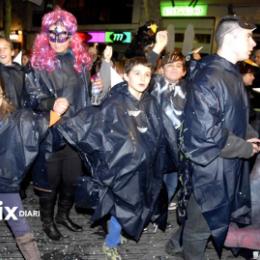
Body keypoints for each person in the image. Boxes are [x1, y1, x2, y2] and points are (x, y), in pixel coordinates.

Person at [57, 56, 178, 260]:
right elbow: (99, 130)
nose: (143, 78)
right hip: (122, 168)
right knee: (122, 206)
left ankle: (119, 233)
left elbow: (159, 132)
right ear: (126, 76)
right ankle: (111, 242)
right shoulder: (115, 102)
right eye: (137, 73)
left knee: (139, 203)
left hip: (145, 167)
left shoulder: (149, 101)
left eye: (147, 74)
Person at [166, 15, 260, 259]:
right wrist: (244, 148)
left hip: (226, 164)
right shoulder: (209, 77)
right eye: (249, 37)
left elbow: (236, 115)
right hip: (211, 168)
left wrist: (251, 136)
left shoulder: (230, 73)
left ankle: (179, 243)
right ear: (231, 38)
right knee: (201, 224)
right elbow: (206, 132)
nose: (253, 44)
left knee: (206, 217)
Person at [24, 7, 96, 241]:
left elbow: (84, 97)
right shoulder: (37, 64)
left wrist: (96, 90)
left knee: (72, 181)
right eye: (52, 35)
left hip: (76, 133)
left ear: (71, 35)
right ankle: (48, 222)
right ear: (46, 36)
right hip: (51, 132)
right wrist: (52, 102)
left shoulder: (81, 63)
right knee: (49, 184)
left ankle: (63, 216)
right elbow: (31, 97)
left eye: (62, 35)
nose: (57, 41)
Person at [0, 77, 69, 259]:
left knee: (20, 226)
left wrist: (56, 112)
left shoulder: (15, 118)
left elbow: (35, 124)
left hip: (4, 183)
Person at [150, 51, 187, 211]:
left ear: (184, 71)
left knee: (172, 182)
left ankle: (161, 213)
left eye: (178, 65)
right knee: (154, 181)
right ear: (162, 69)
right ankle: (151, 212)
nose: (173, 69)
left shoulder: (190, 89)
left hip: (178, 145)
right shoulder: (152, 83)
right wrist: (156, 49)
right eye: (169, 65)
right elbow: (144, 68)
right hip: (155, 143)